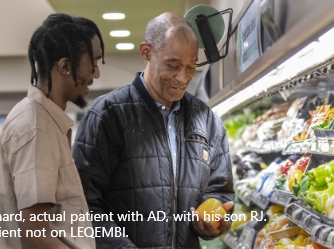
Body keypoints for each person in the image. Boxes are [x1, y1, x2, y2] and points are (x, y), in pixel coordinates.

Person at [72, 12, 234, 249]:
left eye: (191, 66)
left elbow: (221, 192)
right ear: (146, 52)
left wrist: (214, 221)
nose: (183, 77)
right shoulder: (109, 114)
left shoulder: (207, 120)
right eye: (173, 65)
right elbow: (83, 204)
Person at [0, 13, 104, 249]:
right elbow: (35, 234)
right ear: (65, 66)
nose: (96, 73)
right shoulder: (36, 126)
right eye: (94, 62)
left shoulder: (46, 122)